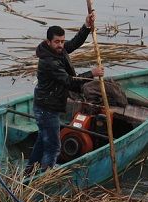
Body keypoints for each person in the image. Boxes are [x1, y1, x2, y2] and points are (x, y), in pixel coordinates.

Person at [26, 12, 104, 173]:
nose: (61, 45)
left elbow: (74, 43)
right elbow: (70, 82)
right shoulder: (49, 62)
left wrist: (86, 26)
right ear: (49, 42)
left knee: (42, 143)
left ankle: (28, 173)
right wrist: (92, 73)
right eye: (57, 42)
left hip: (46, 106)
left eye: (62, 41)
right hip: (46, 110)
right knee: (54, 147)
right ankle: (44, 180)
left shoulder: (57, 51)